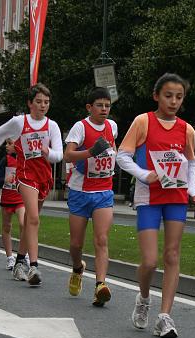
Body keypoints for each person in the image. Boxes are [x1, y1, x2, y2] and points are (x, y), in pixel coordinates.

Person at [117, 73, 195, 338]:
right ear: (156, 96)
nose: (174, 101)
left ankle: (165, 316)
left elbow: (191, 162)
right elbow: (122, 155)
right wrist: (144, 174)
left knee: (173, 255)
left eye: (179, 97)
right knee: (150, 260)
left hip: (176, 196)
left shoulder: (187, 129)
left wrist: (192, 187)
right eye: (168, 96)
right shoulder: (143, 122)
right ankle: (143, 298)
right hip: (149, 197)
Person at [0, 83, 63, 285]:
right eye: (39, 102)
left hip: (44, 177)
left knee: (30, 224)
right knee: (32, 219)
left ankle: (19, 262)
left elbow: (59, 153)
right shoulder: (19, 122)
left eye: (46, 102)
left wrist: (49, 153)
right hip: (25, 175)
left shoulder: (52, 126)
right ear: (30, 103)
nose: (43, 106)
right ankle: (34, 266)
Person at [64, 87, 117, 307]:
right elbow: (68, 155)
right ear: (89, 107)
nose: (104, 109)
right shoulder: (80, 127)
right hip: (80, 192)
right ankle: (78, 268)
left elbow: (112, 150)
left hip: (104, 191)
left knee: (101, 239)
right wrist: (90, 152)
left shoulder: (112, 127)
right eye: (99, 105)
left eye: (107, 105)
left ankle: (100, 286)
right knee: (76, 244)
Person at [0, 137, 26, 270]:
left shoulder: (24, 160)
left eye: (10, 143)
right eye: (6, 143)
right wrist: (4, 179)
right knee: (7, 227)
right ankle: (10, 257)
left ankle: (24, 254)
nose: (6, 146)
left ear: (17, 145)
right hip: (7, 199)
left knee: (24, 224)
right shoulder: (5, 160)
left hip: (20, 199)